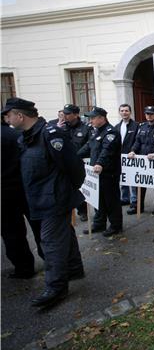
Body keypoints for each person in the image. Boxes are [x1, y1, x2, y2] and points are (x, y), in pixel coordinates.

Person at [3, 98, 85, 308]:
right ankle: (74, 269)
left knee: (50, 241)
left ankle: (56, 287)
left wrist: (67, 190)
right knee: (63, 233)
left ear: (19, 115)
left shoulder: (51, 134)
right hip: (38, 198)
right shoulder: (26, 137)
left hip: (55, 199)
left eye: (8, 114)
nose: (5, 118)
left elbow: (74, 166)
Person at [78, 107, 123, 237]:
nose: (90, 120)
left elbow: (107, 151)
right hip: (95, 173)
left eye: (92, 118)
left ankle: (116, 225)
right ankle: (99, 223)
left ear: (101, 118)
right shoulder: (95, 132)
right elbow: (88, 147)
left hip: (108, 173)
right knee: (97, 199)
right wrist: (74, 156)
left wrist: (99, 163)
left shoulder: (111, 132)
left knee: (111, 201)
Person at [1, 118, 38, 279]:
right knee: (39, 227)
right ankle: (53, 262)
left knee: (12, 232)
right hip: (27, 188)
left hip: (5, 194)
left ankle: (24, 267)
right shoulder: (18, 135)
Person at [127, 106, 154, 215]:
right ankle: (139, 206)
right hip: (143, 160)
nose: (149, 116)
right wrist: (133, 151)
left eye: (151, 114)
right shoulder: (142, 126)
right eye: (147, 114)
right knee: (140, 183)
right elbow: (137, 141)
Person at [62, 104, 92, 222]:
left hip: (80, 163)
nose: (65, 116)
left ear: (75, 115)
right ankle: (70, 211)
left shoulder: (86, 128)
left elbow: (89, 144)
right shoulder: (62, 127)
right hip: (65, 163)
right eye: (64, 113)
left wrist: (76, 155)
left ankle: (83, 211)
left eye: (68, 114)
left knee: (83, 188)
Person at [115, 104, 138, 207]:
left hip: (132, 156)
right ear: (119, 112)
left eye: (126, 111)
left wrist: (133, 150)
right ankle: (125, 198)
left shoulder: (137, 126)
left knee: (133, 179)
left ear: (130, 112)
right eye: (122, 111)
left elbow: (138, 141)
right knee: (123, 178)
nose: (124, 112)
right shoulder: (116, 127)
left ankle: (134, 200)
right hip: (120, 157)